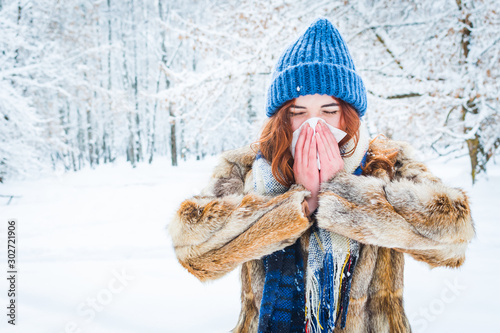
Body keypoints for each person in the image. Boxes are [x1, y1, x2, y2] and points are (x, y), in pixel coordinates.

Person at [168, 18, 474, 333]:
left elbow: (453, 236)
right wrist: (297, 207)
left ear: (349, 113)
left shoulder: (387, 161)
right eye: (298, 113)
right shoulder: (245, 166)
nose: (314, 126)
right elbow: (194, 250)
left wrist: (340, 194)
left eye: (329, 112)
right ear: (281, 118)